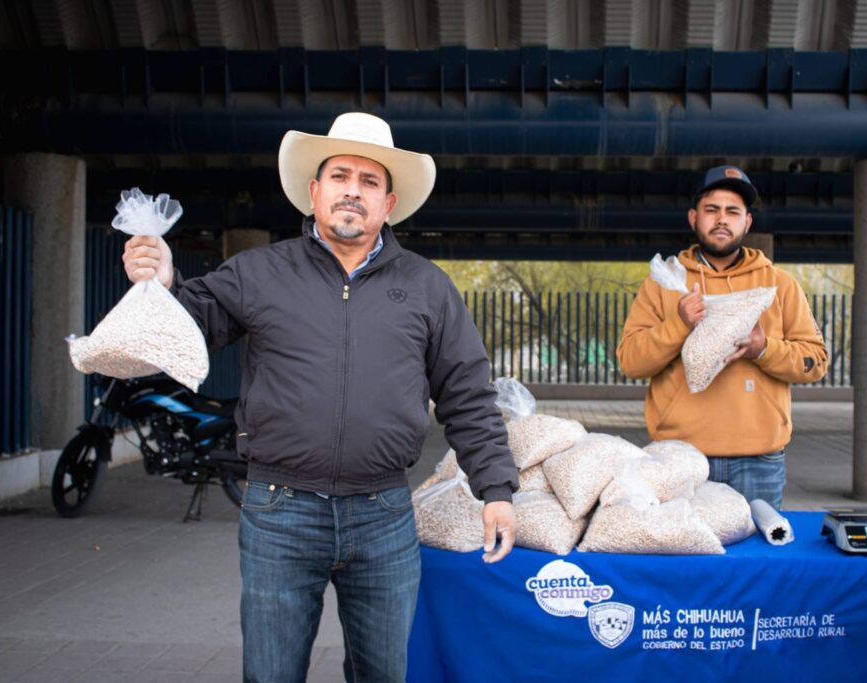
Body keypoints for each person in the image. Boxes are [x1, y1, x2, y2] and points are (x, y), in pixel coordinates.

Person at [121, 112, 519, 683]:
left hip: (382, 513)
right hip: (279, 512)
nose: (352, 190)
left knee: (383, 673)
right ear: (314, 193)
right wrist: (163, 284)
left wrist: (497, 489)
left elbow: (467, 394)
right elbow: (191, 324)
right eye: (339, 176)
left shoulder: (428, 287)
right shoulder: (259, 271)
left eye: (368, 180)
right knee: (272, 673)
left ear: (388, 203)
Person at [617, 165, 828, 510]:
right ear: (693, 218)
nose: (721, 220)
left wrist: (763, 349)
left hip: (758, 460)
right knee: (685, 561)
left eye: (733, 212)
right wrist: (680, 324)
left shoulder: (779, 285)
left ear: (747, 223)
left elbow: (815, 363)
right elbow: (631, 362)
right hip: (679, 456)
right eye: (711, 210)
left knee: (757, 562)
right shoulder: (662, 285)